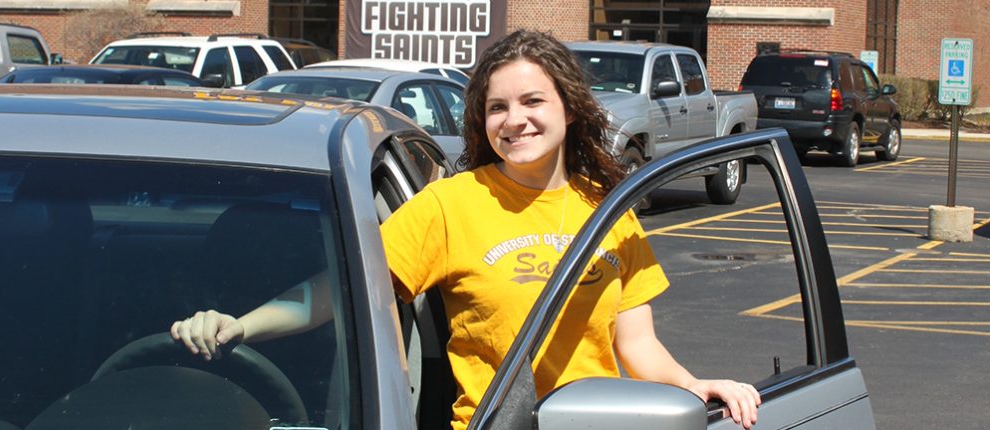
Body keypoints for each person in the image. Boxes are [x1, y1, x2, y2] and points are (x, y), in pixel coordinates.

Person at [171, 30, 761, 429]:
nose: (514, 120)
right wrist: (239, 325)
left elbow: (636, 346)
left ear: (569, 108)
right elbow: (339, 294)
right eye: (496, 107)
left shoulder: (607, 208)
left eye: (532, 100)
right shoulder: (451, 205)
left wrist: (694, 388)